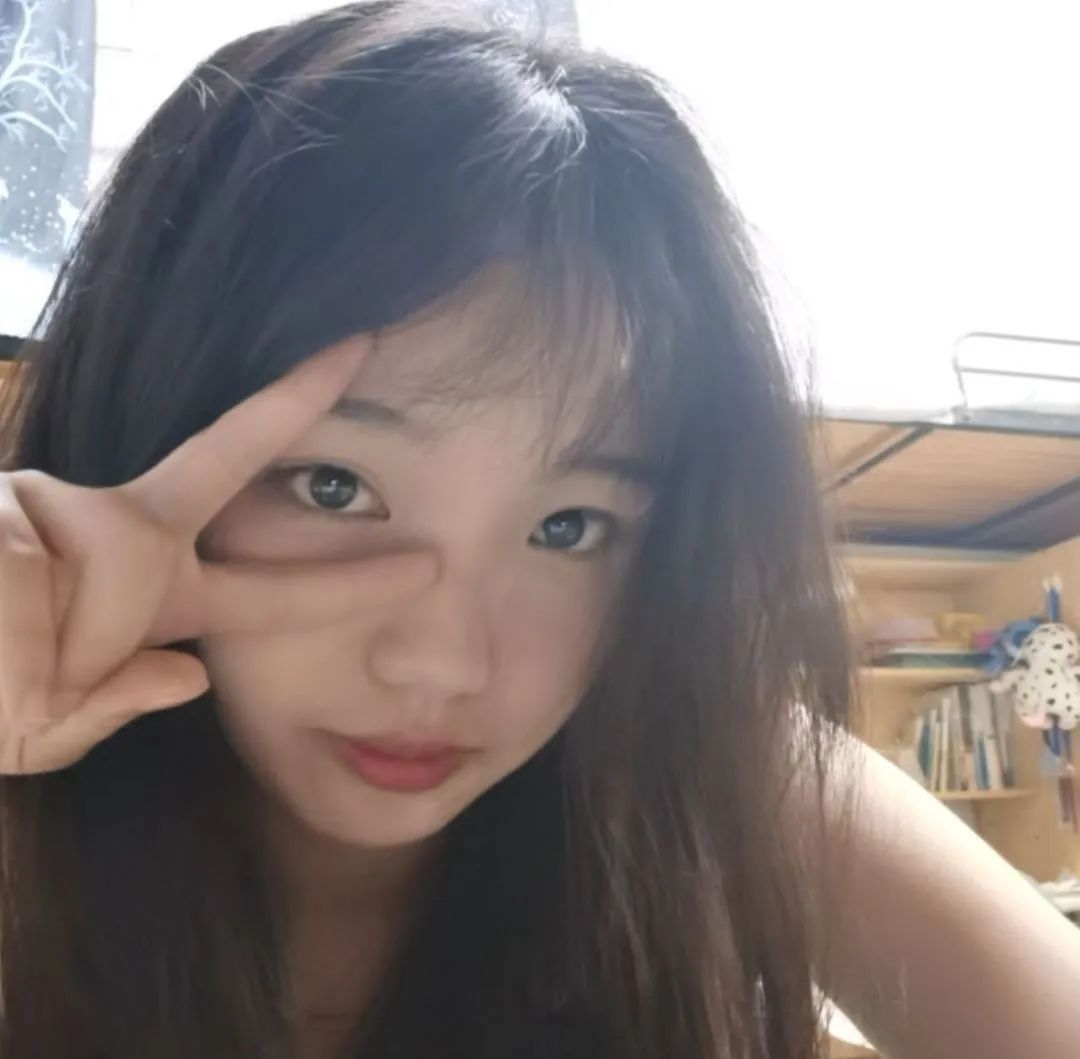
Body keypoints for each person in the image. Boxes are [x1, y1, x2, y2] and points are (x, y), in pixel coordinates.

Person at [0, 3, 1077, 1058]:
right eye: (332, 486)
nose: (445, 662)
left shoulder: (696, 754)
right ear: (137, 425)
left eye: (569, 526)